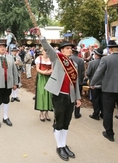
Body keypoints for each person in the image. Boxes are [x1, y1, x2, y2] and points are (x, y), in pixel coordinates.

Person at [36, 28, 81, 162]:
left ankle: (64, 144)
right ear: (61, 51)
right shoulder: (57, 59)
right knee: (59, 120)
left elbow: (76, 83)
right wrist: (40, 36)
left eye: (71, 48)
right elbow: (47, 48)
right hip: (59, 95)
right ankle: (59, 146)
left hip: (70, 96)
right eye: (67, 48)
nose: (70, 50)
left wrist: (78, 97)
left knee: (67, 121)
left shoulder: (74, 64)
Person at [90, 40, 118, 144]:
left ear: (110, 49)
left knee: (108, 112)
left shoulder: (106, 59)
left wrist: (92, 83)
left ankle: (109, 133)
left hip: (108, 90)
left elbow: (98, 73)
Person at [34, 50, 53, 122]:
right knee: (42, 94)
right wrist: (44, 72)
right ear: (43, 52)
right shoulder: (39, 58)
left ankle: (47, 112)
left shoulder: (51, 59)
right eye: (45, 51)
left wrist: (50, 71)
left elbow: (52, 68)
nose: (47, 52)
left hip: (49, 77)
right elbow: (37, 69)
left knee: (49, 94)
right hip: (41, 77)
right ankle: (41, 113)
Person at [87, 48, 104, 120]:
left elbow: (88, 73)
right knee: (103, 100)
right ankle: (103, 114)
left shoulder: (92, 63)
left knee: (95, 100)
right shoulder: (105, 62)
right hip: (104, 85)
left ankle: (96, 114)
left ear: (96, 55)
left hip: (94, 84)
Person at [70, 48, 85, 119]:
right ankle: (77, 113)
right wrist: (81, 81)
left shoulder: (68, 59)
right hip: (78, 81)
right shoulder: (81, 60)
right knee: (77, 96)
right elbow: (82, 72)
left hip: (70, 81)